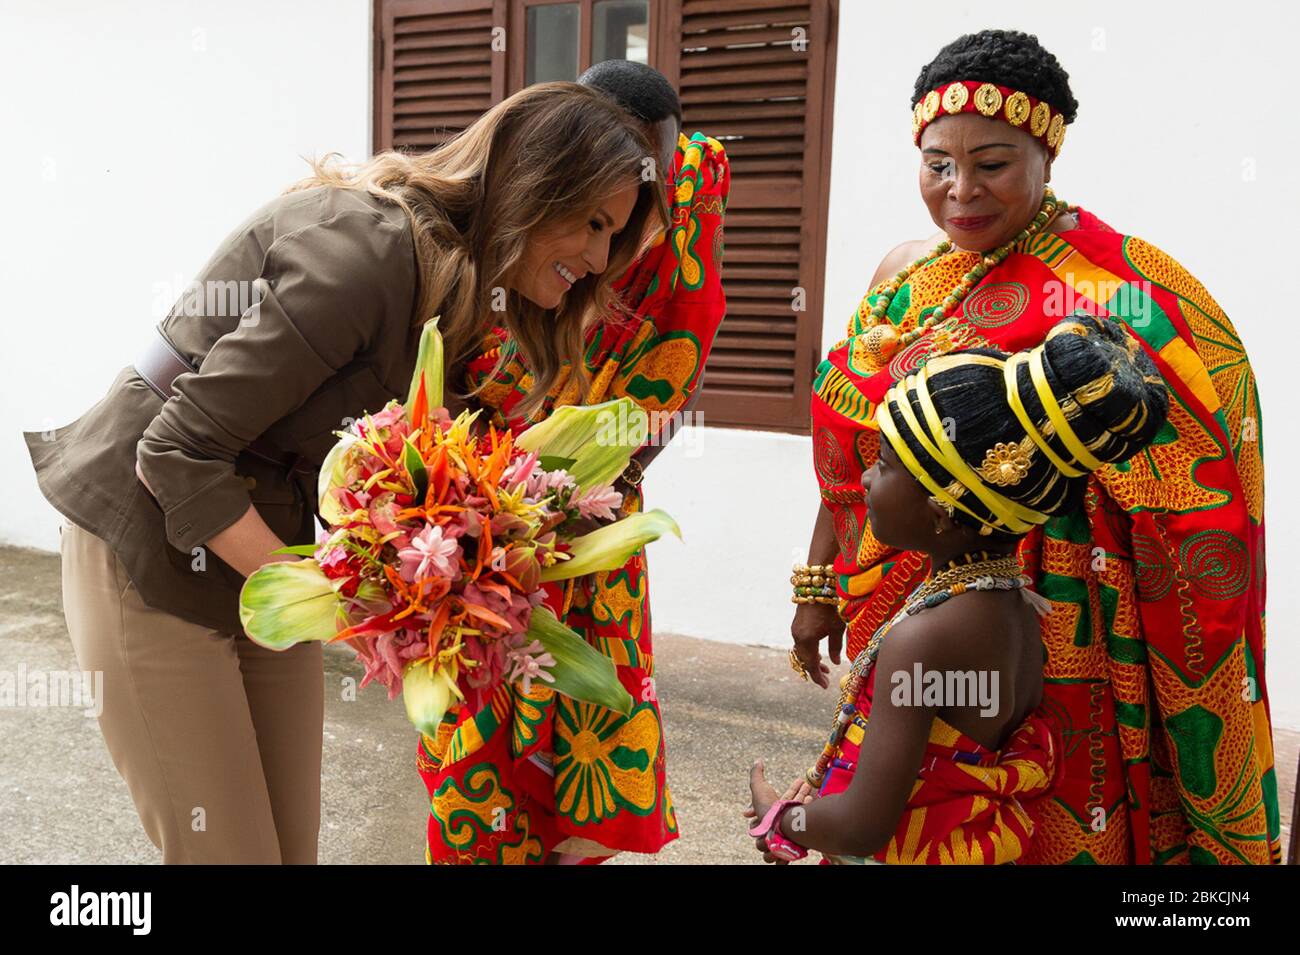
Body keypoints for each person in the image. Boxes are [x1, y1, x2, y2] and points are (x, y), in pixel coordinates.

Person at [24, 82, 666, 864]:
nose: (600, 259)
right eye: (595, 223)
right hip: (144, 544)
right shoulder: (366, 253)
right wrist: (352, 614)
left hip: (261, 541)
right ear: (536, 182)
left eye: (616, 236)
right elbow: (174, 450)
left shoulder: (461, 294)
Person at [786, 29, 1278, 864]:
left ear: (1047, 153)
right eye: (938, 162)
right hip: (898, 581)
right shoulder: (904, 278)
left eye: (993, 162)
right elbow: (864, 443)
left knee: (1024, 812)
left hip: (1057, 606)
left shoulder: (1112, 290)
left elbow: (1203, 450)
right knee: (906, 796)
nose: (960, 189)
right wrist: (818, 582)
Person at [417, 61, 730, 864]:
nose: (621, 240)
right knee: (480, 763)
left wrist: (588, 478)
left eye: (646, 195)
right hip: (480, 532)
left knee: (583, 773)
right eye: (603, 212)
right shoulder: (491, 249)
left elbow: (669, 384)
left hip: (592, 534)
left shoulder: (682, 223)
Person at [749, 314, 1169, 864]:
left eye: (882, 464)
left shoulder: (927, 639)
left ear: (943, 506)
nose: (867, 481)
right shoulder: (1012, 608)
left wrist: (779, 818)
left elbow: (861, 826)